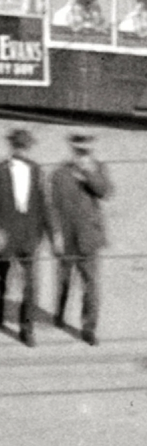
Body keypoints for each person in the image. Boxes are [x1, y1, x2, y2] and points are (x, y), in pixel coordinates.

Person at [49, 132, 113, 346]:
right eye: (78, 150)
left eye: (86, 150)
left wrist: (89, 174)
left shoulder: (98, 168)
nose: (82, 154)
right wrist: (56, 234)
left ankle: (88, 328)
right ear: (72, 149)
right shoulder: (59, 173)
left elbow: (105, 192)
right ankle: (59, 313)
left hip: (88, 236)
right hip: (66, 237)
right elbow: (53, 207)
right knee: (64, 279)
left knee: (91, 284)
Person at [0, 127, 53, 347]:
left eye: (24, 146)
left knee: (30, 286)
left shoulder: (37, 170)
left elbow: (44, 205)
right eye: (18, 146)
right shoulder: (0, 170)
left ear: (28, 147)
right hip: (5, 236)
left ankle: (27, 329)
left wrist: (52, 236)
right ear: (12, 146)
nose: (21, 149)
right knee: (1, 282)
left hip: (30, 237)